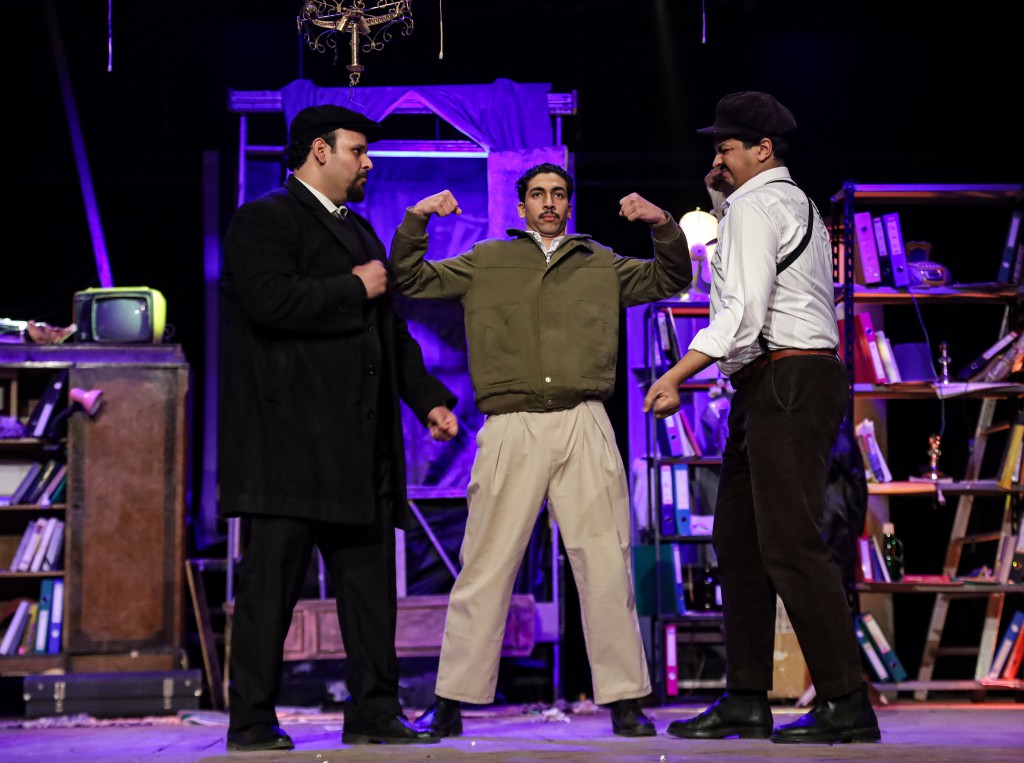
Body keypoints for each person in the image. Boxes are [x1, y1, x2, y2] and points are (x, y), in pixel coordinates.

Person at [387, 163, 692, 738]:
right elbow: (410, 278)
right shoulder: (487, 260)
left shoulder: (600, 262)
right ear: (521, 205)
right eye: (537, 194)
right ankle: (450, 702)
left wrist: (662, 223)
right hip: (511, 424)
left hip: (584, 420)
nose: (548, 202)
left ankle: (626, 699)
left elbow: (670, 277)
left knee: (605, 564)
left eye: (557, 194)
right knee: (484, 564)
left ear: (568, 205)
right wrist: (418, 217)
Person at [219, 104, 460, 752]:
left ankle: (375, 712)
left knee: (370, 591)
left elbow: (391, 333)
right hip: (290, 447)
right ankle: (251, 721)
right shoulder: (265, 219)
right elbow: (269, 301)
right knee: (271, 590)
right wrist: (352, 286)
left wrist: (428, 401)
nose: (368, 162)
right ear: (319, 152)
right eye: (358, 150)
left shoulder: (359, 231)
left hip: (358, 448)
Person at [644, 92, 881, 744]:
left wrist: (674, 374)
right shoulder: (790, 200)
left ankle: (846, 701)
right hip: (780, 382)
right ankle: (746, 697)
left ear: (763, 149)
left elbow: (741, 313)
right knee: (740, 544)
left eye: (726, 147)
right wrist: (720, 195)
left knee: (790, 544)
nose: (716, 158)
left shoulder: (754, 208)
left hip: (786, 379)